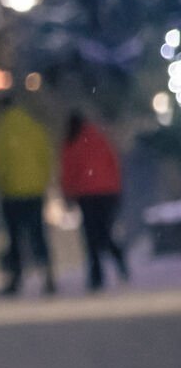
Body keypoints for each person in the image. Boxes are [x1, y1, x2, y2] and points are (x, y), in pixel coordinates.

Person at [0, 100, 57, 295]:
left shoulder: (1, 130)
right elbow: (46, 157)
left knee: (14, 238)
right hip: (34, 191)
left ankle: (15, 278)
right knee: (38, 234)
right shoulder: (34, 127)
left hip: (11, 193)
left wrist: (1, 183)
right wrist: (42, 182)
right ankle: (48, 275)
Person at [61, 112, 130, 292]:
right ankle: (118, 259)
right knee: (104, 232)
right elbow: (114, 164)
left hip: (87, 195)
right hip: (107, 193)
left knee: (91, 236)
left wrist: (67, 192)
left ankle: (97, 275)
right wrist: (117, 189)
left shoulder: (72, 142)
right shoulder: (99, 138)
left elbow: (68, 170)